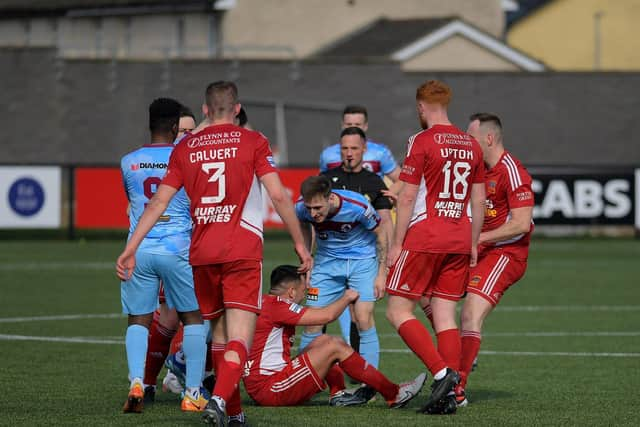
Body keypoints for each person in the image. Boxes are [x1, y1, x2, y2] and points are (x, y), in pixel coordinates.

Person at [116, 81, 312, 427]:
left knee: (218, 336)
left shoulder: (186, 147)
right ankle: (219, 399)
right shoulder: (253, 141)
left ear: (205, 110)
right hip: (241, 249)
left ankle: (234, 413)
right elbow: (279, 195)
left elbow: (159, 201)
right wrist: (299, 242)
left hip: (201, 252)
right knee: (239, 337)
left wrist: (131, 248)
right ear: (237, 110)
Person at [384, 80, 486, 415]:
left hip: (426, 236)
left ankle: (442, 374)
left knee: (397, 311)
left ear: (420, 106)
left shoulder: (422, 140)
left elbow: (408, 195)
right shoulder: (471, 145)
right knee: (445, 315)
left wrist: (396, 245)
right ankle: (454, 393)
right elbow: (479, 199)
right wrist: (472, 243)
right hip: (458, 237)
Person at [119, 98, 207, 413]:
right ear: (174, 127)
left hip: (139, 249)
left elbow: (134, 204)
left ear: (150, 124)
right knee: (193, 317)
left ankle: (136, 382)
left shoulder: (128, 161)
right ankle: (193, 393)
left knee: (139, 319)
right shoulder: (188, 158)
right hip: (178, 248)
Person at [243, 264, 426, 408]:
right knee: (334, 346)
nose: (304, 293)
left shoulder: (264, 302)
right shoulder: (278, 305)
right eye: (302, 290)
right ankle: (394, 394)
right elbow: (327, 316)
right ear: (291, 291)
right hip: (271, 389)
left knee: (323, 341)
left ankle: (338, 394)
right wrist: (347, 297)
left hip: (266, 383)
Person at [455, 113, 534, 406]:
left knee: (470, 313)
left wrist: (478, 240)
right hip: (478, 249)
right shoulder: (476, 169)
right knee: (428, 295)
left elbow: (521, 224)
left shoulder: (512, 171)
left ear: (488, 139)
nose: (467, 145)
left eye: (471, 139)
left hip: (505, 254)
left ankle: (457, 387)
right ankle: (459, 354)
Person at [295, 175, 387, 375]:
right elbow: (303, 225)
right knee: (312, 320)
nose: (313, 213)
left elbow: (380, 233)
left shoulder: (357, 206)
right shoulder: (301, 208)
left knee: (363, 318)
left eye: (318, 208)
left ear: (329, 198)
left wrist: (382, 272)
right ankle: (301, 380)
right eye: (309, 208)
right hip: (325, 265)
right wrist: (307, 259)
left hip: (362, 263)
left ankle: (369, 383)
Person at [321, 126, 393, 359]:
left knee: (360, 315)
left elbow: (384, 224)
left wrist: (386, 265)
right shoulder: (325, 181)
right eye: (344, 148)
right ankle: (311, 371)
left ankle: (361, 373)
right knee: (317, 315)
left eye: (354, 148)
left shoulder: (374, 182)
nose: (349, 153)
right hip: (329, 259)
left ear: (364, 149)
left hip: (363, 258)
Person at [319, 105, 400, 181]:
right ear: (342, 125)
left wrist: (384, 195)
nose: (353, 128)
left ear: (365, 126)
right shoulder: (327, 154)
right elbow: (321, 184)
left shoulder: (380, 152)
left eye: (357, 124)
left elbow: (401, 180)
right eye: (349, 124)